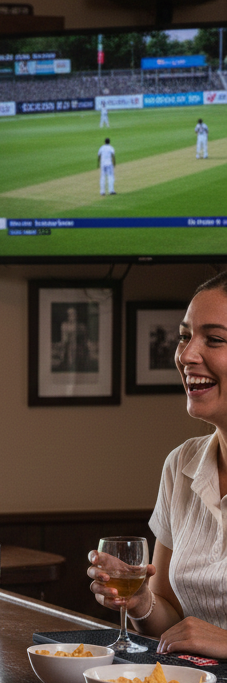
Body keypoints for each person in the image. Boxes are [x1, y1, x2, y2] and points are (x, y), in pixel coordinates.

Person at [88, 270, 227, 658]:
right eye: (185, 336)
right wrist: (139, 602)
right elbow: (171, 621)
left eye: (214, 340)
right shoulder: (181, 464)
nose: (185, 355)